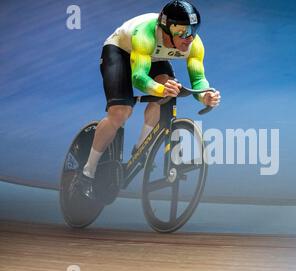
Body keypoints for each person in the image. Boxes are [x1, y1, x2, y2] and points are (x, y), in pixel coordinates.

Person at [75, 0, 221, 200]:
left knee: (167, 93)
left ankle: (140, 149)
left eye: (193, 30)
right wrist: (160, 88)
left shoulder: (194, 43)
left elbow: (198, 79)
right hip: (121, 52)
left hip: (154, 56)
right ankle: (87, 172)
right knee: (121, 112)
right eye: (182, 31)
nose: (189, 37)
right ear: (166, 29)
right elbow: (139, 77)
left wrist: (205, 95)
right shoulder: (145, 34)